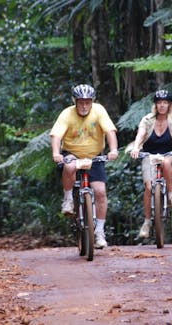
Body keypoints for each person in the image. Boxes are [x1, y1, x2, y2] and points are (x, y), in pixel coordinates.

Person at [50, 84, 119, 248]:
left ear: (92, 101)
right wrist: (55, 153)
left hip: (94, 156)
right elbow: (56, 135)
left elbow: (110, 131)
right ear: (75, 101)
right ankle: (68, 200)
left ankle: (100, 232)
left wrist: (114, 149)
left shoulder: (99, 110)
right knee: (69, 167)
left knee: (100, 192)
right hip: (72, 154)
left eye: (88, 102)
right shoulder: (67, 114)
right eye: (81, 102)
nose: (84, 106)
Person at [129, 89, 172, 239]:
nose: (162, 106)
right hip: (149, 155)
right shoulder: (147, 120)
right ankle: (147, 222)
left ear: (170, 105)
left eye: (165, 103)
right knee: (149, 187)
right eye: (159, 103)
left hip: (169, 153)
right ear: (155, 105)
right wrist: (136, 148)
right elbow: (140, 134)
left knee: (167, 162)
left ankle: (171, 194)